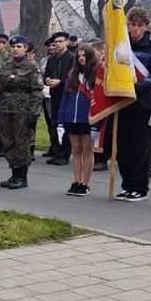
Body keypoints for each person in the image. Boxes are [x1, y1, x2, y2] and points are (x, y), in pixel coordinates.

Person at [114, 7, 151, 202]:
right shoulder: (121, 43)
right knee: (123, 147)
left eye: (139, 26)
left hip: (142, 102)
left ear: (146, 26)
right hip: (121, 102)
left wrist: (135, 88)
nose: (135, 29)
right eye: (132, 25)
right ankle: (127, 185)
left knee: (140, 148)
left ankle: (140, 187)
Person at [0, 35, 44, 190]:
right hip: (5, 108)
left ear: (26, 49)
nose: (15, 49)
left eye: (19, 47)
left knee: (21, 143)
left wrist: (34, 114)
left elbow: (37, 91)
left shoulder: (32, 66)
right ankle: (14, 173)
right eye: (13, 47)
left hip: (23, 109)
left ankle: (22, 176)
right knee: (8, 141)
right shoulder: (6, 65)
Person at [56, 43, 97, 196]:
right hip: (70, 119)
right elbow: (64, 100)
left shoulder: (96, 76)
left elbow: (98, 101)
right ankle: (76, 181)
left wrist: (96, 123)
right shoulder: (72, 76)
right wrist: (61, 121)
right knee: (76, 150)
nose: (81, 58)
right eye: (78, 56)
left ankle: (86, 183)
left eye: (83, 56)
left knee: (87, 150)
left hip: (87, 119)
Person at [41, 31, 73, 164]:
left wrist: (61, 81)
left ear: (67, 42)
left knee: (64, 125)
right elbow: (46, 74)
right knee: (54, 124)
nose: (58, 44)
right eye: (56, 42)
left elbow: (74, 78)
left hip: (67, 96)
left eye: (60, 42)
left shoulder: (72, 58)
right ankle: (55, 151)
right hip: (54, 95)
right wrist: (47, 79)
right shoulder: (51, 59)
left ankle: (64, 154)